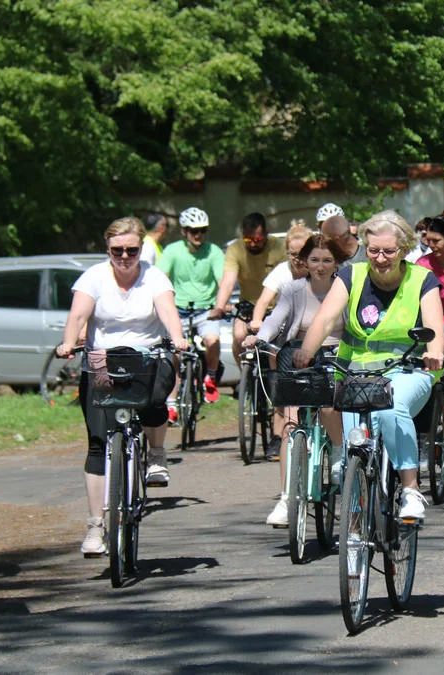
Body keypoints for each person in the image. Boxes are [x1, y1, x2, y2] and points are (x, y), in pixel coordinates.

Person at [294, 210, 444, 521]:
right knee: (355, 450)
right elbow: (325, 319)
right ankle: (356, 527)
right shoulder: (351, 275)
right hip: (356, 371)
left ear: (404, 249)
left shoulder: (422, 279)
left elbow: (434, 327)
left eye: (389, 251)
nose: (380, 258)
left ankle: (410, 489)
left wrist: (435, 353)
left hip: (408, 369)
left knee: (391, 409)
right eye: (373, 250)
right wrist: (306, 351)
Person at [56, 217, 188, 556]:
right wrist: (69, 342)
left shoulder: (154, 276)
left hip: (146, 356)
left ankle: (156, 453)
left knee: (156, 397)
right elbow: (78, 316)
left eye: (132, 250)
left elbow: (167, 310)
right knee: (99, 442)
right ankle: (95, 527)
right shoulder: (94, 277)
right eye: (118, 251)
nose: (125, 257)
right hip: (103, 359)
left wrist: (177, 338)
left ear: (141, 249)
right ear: (108, 249)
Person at [243, 234, 346, 526]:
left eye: (327, 260)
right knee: (290, 422)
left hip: (337, 354)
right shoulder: (292, 289)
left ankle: (338, 452)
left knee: (328, 407)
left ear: (336, 262)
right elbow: (277, 318)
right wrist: (259, 337)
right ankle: (287, 498)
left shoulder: (346, 287)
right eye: (315, 260)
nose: (321, 266)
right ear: (304, 262)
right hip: (298, 355)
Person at [158, 207, 225, 407]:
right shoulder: (172, 251)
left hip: (206, 309)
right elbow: (161, 279)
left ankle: (210, 378)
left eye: (202, 230)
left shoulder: (213, 251)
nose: (198, 235)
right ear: (184, 232)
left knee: (212, 340)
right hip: (179, 310)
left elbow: (223, 281)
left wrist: (221, 305)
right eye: (193, 230)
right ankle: (171, 403)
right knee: (175, 354)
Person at [213, 212, 287, 370]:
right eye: (248, 239)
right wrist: (220, 306)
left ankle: (275, 382)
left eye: (257, 239)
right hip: (248, 305)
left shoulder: (279, 248)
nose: (253, 244)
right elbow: (228, 282)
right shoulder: (236, 249)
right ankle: (245, 375)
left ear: (266, 234)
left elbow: (288, 280)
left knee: (276, 348)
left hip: (274, 307)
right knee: (239, 336)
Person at [249, 222, 314, 335]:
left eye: (302, 254)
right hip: (284, 329)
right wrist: (257, 320)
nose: (297, 259)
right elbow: (263, 301)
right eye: (293, 254)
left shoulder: (318, 270)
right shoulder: (282, 270)